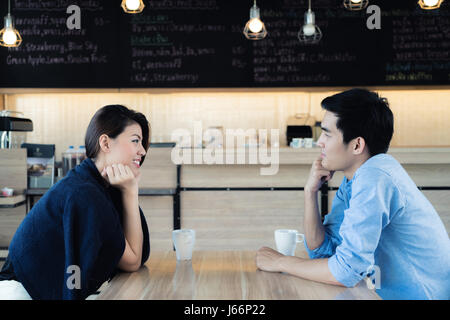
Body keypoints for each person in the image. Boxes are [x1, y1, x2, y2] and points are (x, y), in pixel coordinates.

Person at [256, 88, 450, 300]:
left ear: (357, 144)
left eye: (327, 134)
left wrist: (280, 262)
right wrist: (310, 192)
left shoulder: (374, 176)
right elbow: (323, 253)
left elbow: (345, 271)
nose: (320, 142)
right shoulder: (354, 181)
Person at [0, 104, 151, 300]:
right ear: (105, 143)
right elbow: (131, 261)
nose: (142, 151)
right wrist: (130, 191)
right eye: (135, 141)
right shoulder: (85, 193)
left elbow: (135, 257)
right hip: (21, 293)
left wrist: (130, 190)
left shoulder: (99, 187)